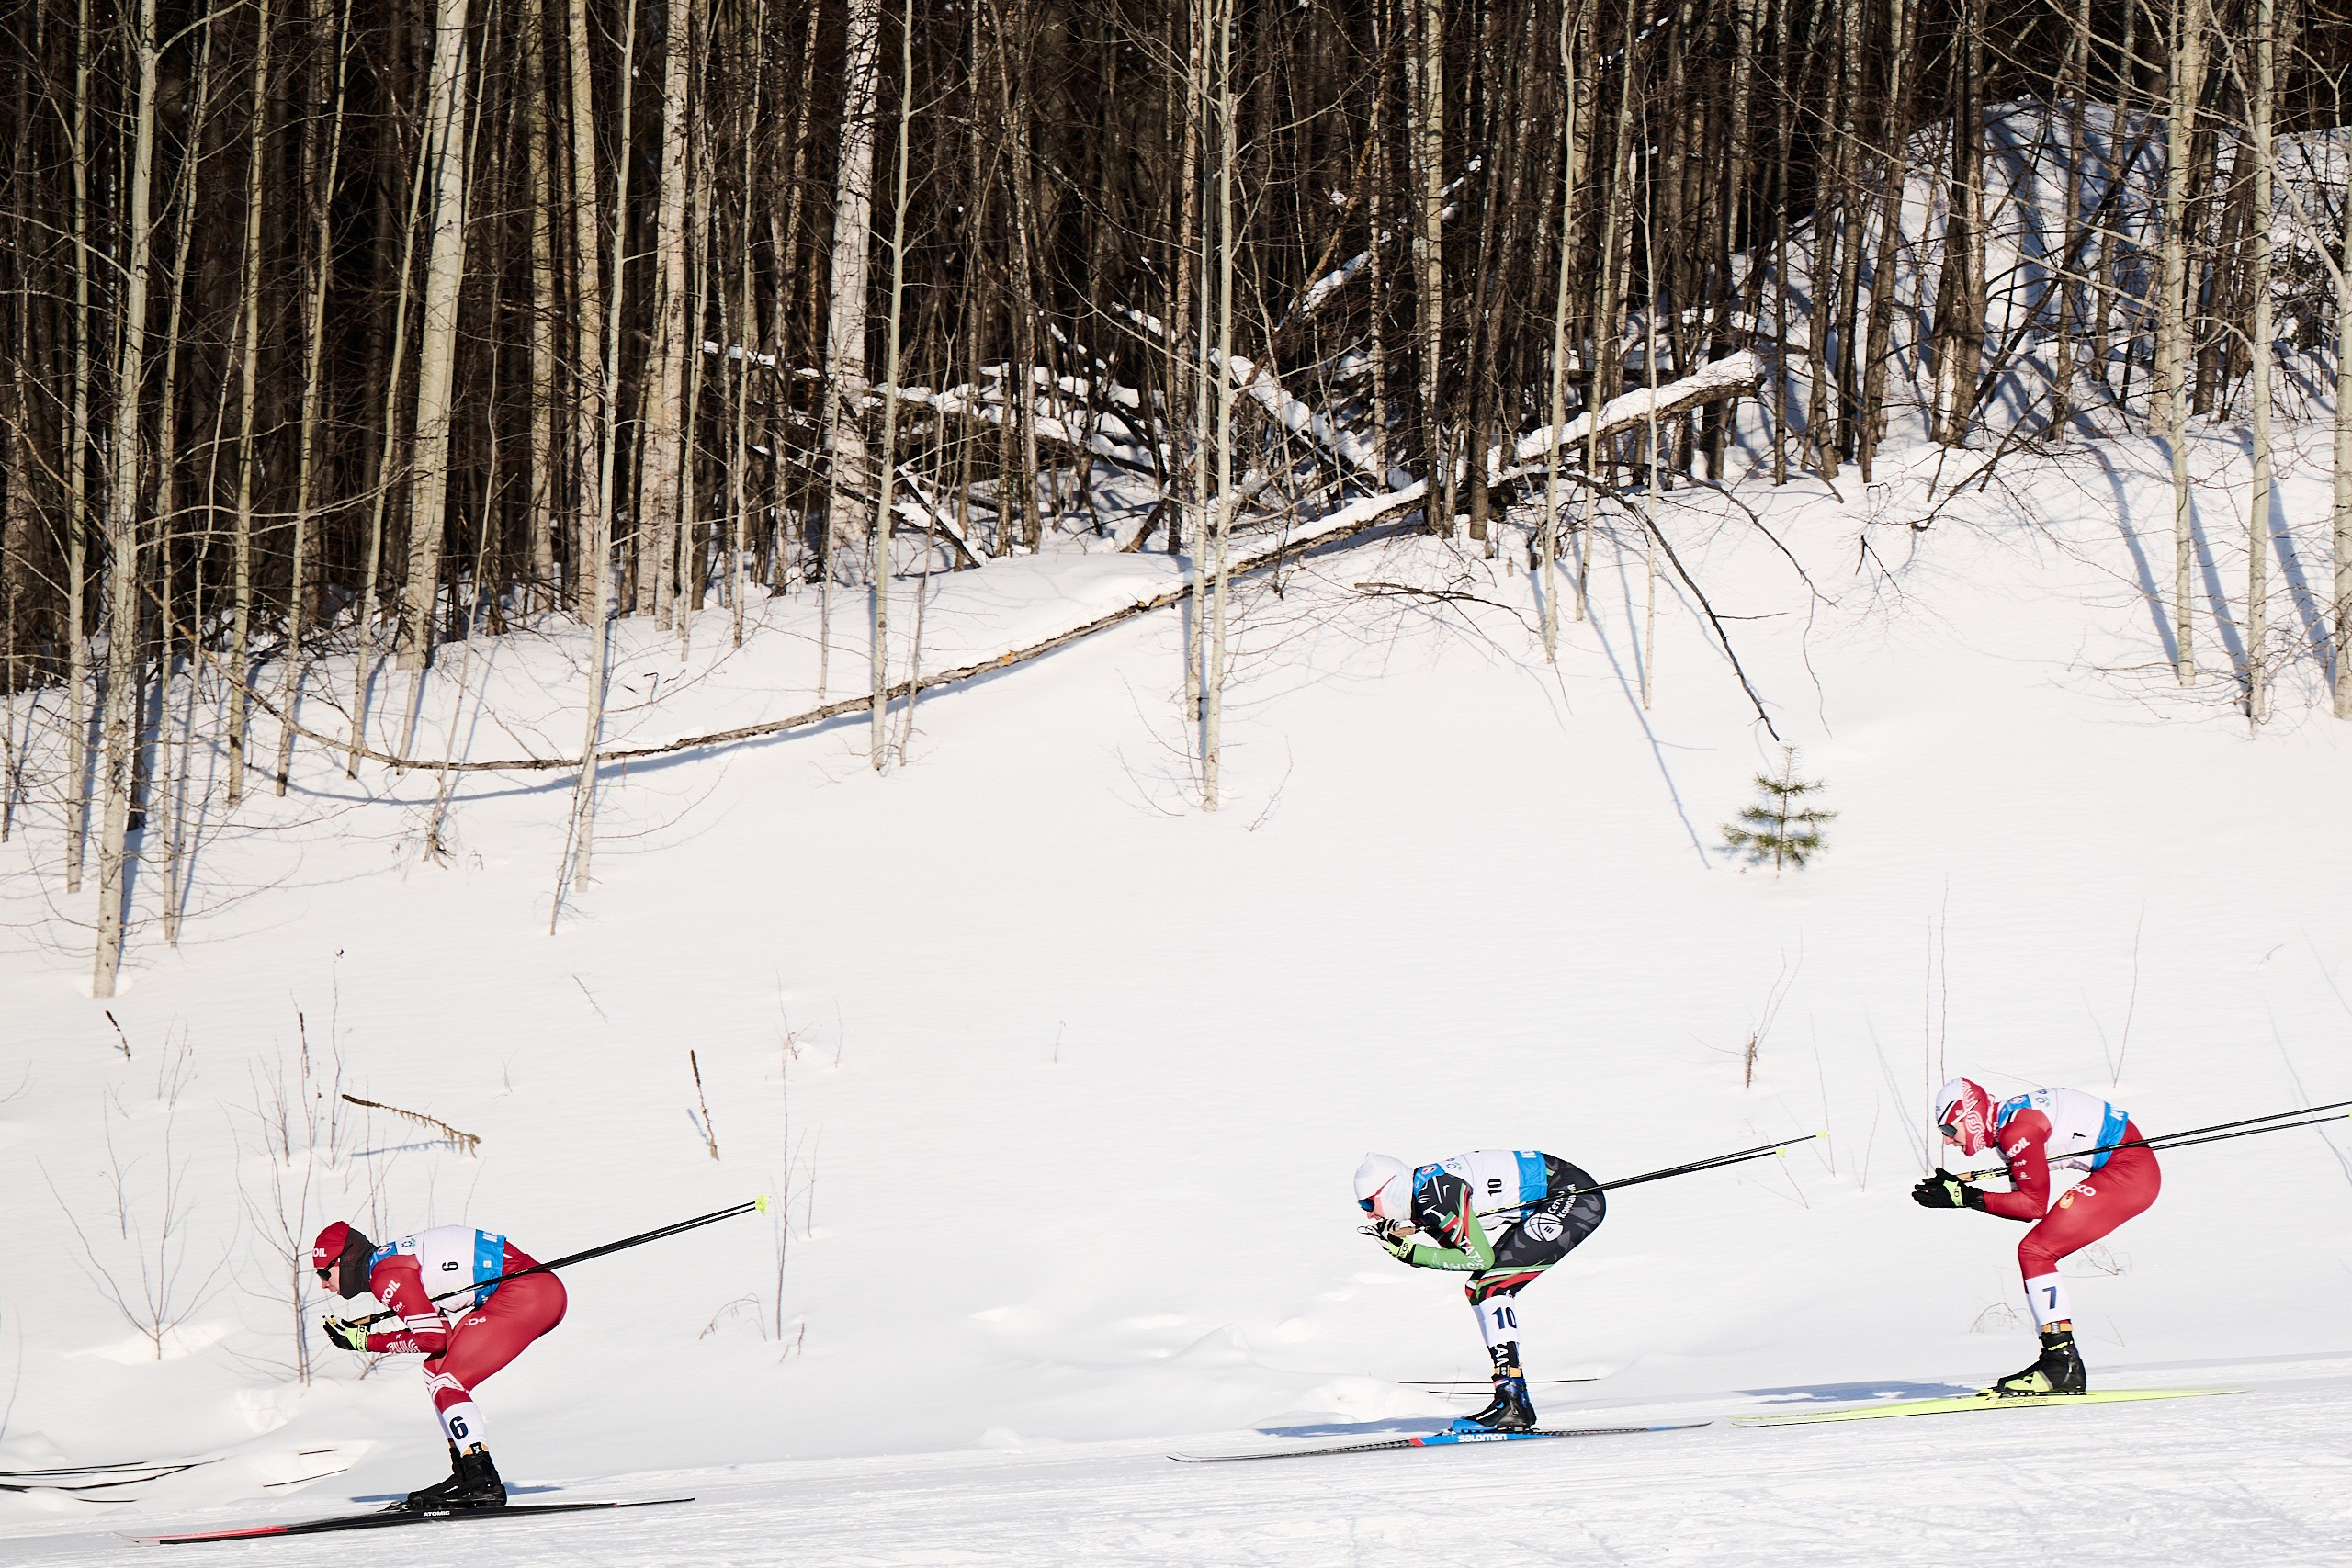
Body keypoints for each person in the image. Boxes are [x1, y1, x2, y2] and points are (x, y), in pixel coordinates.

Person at [1912, 1078, 2161, 1395]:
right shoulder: (2009, 1128)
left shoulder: (2017, 1132)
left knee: (2036, 1251)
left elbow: (2032, 1205)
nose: (1948, 1142)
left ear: (1970, 1117)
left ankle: (2062, 1363)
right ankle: (2059, 1360)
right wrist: (1966, 1195)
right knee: (2034, 1250)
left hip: (2128, 1174)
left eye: (1949, 1130)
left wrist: (1968, 1198)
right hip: (2126, 1169)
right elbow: (2024, 1203)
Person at [311, 1220, 568, 1509]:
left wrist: (365, 1342)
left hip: (527, 1292)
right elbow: (441, 1337)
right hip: (532, 1290)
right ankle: (467, 1472)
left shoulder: (387, 1276)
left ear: (344, 1261)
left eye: (323, 1272)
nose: (323, 1283)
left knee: (448, 1380)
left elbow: (431, 1339)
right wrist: (366, 1339)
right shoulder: (388, 1265)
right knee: (435, 1370)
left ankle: (482, 1481)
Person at [1353, 1149, 1607, 1432]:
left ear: (1389, 1190)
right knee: (1479, 1288)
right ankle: (1512, 1398)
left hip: (1572, 1196)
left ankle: (1512, 1399)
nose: (1367, 1212)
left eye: (1368, 1201)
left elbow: (1477, 1258)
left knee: (1490, 1287)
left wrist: (1413, 1253)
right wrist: (1419, 1231)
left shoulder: (1436, 1194)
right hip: (1558, 1193)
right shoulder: (1427, 1194)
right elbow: (1458, 1249)